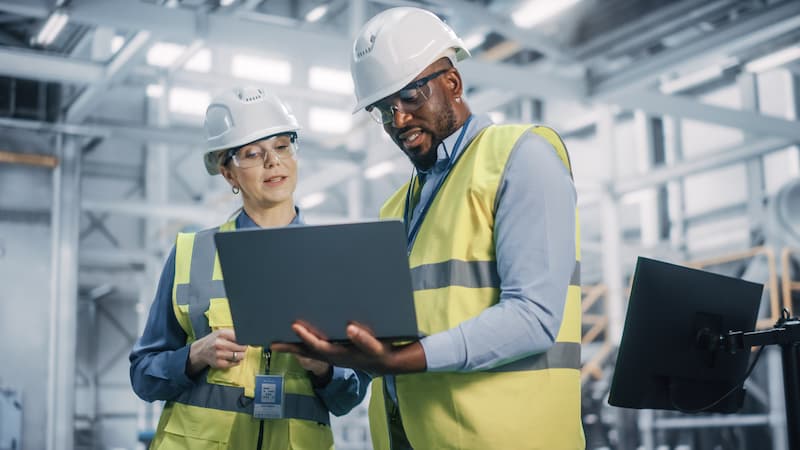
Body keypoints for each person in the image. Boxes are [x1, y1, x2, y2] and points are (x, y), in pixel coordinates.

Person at [272, 6, 585, 450]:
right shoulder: (396, 207)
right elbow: (394, 336)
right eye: (383, 109)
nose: (397, 121)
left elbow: (533, 318)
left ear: (452, 83)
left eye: (410, 98)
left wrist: (404, 360)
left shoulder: (520, 158)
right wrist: (330, 359)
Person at [130, 86, 370, 450]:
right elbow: (143, 376)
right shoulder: (190, 254)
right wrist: (194, 356)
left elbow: (349, 395)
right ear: (228, 174)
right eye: (252, 154)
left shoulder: (335, 260)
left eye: (282, 146)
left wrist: (322, 367)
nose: (273, 162)